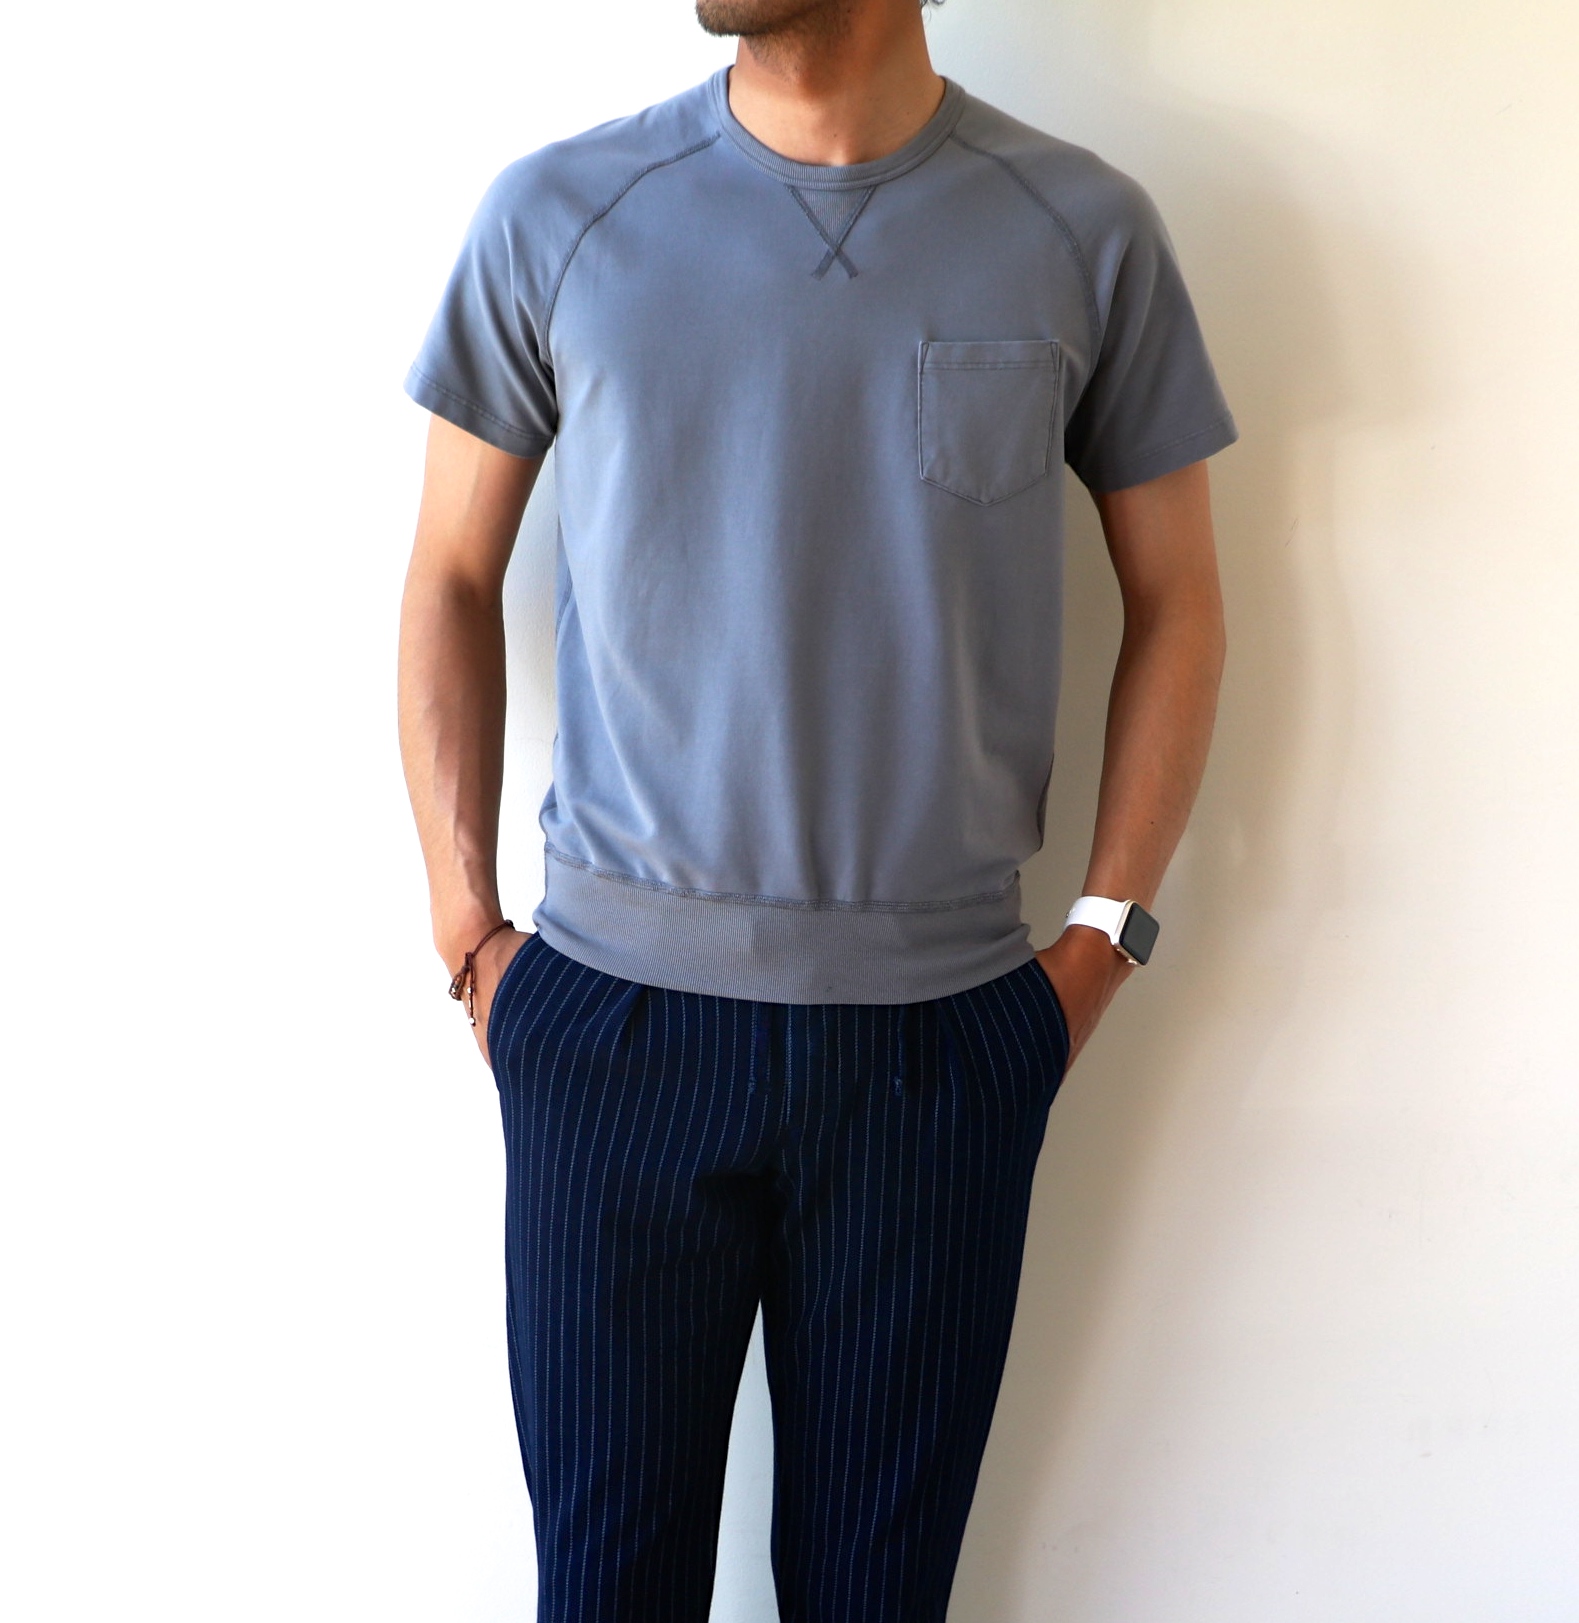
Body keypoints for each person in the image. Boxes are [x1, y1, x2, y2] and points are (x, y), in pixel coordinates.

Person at [397, 0, 1237, 1616]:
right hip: (612, 1033)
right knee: (606, 1593)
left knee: (878, 1601)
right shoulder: (562, 214)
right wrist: (465, 932)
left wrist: (1101, 943)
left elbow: (1180, 598)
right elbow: (446, 574)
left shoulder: (1080, 228)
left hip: (941, 1048)